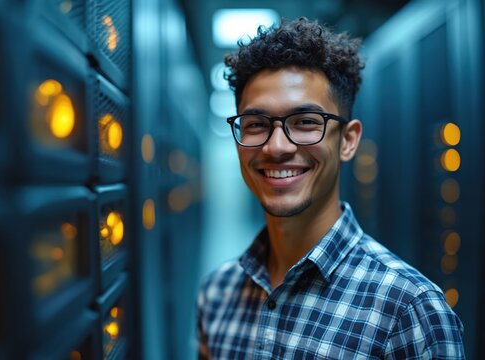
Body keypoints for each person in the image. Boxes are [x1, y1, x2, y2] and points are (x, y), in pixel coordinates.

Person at [196, 17, 465, 359]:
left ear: (348, 141)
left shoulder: (409, 313)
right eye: (256, 125)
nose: (276, 147)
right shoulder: (216, 293)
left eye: (306, 122)